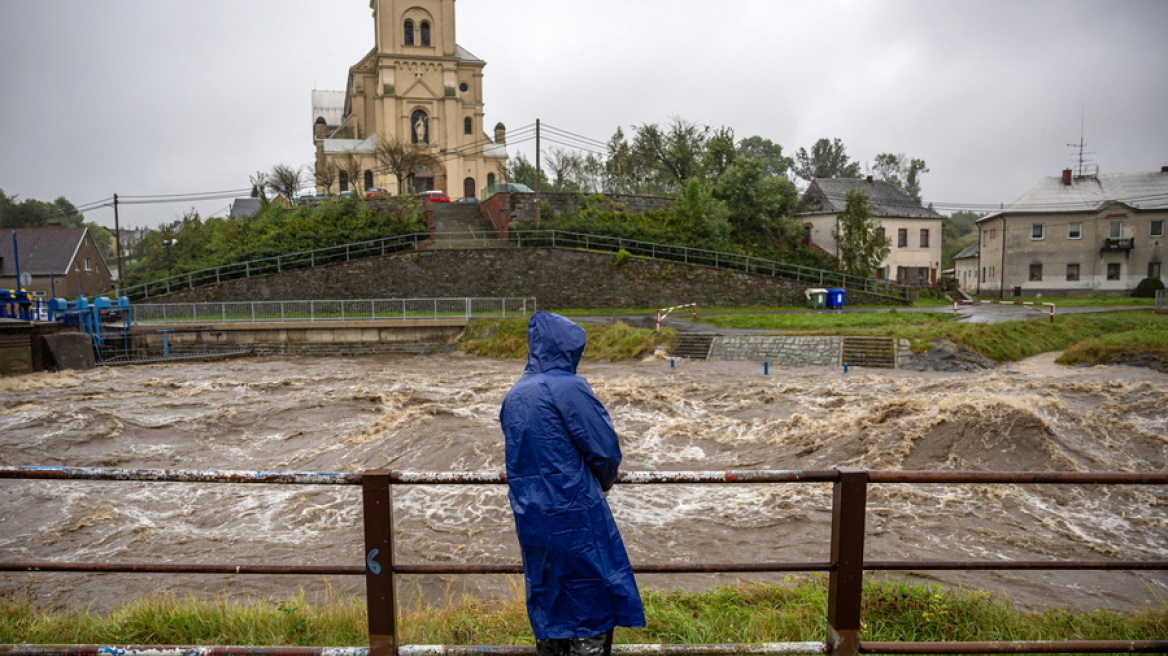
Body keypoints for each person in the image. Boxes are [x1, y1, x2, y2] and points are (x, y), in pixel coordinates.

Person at [501, 311, 645, 656]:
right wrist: (605, 481)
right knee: (593, 592)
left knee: (548, 590)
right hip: (574, 505)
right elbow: (604, 449)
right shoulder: (568, 387)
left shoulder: (516, 394)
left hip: (531, 510)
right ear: (567, 349)